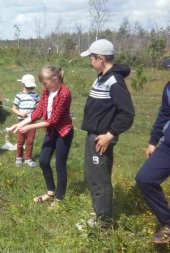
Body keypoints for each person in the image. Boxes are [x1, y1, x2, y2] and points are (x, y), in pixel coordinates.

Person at [80, 39, 135, 226]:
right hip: (93, 135)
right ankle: (98, 211)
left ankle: (104, 221)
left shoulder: (114, 81)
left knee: (100, 178)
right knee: (91, 174)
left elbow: (127, 114)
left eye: (91, 58)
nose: (90, 61)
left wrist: (109, 135)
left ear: (100, 58)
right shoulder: (102, 76)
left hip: (102, 138)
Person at [8, 66, 73, 205]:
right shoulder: (46, 91)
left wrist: (29, 126)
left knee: (60, 164)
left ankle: (59, 198)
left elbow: (52, 120)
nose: (44, 86)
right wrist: (19, 125)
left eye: (45, 82)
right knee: (43, 160)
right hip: (51, 131)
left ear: (54, 79)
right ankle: (50, 192)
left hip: (63, 132)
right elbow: (38, 112)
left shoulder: (64, 94)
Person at [136, 81, 170, 244]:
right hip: (168, 146)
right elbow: (164, 114)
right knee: (145, 178)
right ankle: (167, 223)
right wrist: (153, 141)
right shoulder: (169, 87)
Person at [11, 74, 40, 168]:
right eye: (29, 87)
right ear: (23, 84)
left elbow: (40, 107)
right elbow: (13, 108)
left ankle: (28, 159)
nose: (30, 88)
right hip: (21, 122)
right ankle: (19, 158)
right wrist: (19, 113)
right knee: (20, 141)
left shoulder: (36, 95)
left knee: (30, 141)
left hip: (31, 122)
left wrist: (35, 112)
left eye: (32, 87)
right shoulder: (19, 96)